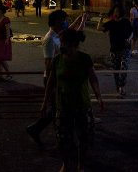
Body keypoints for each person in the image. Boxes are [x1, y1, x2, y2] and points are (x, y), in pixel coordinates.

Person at [42, 27, 104, 172]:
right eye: (62, 43)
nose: (62, 46)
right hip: (62, 105)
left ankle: (80, 166)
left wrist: (99, 96)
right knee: (63, 139)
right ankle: (66, 163)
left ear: (74, 45)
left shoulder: (84, 59)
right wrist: (45, 103)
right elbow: (51, 82)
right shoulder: (57, 60)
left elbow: (93, 78)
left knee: (84, 139)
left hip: (82, 105)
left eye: (65, 44)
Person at [26, 9, 68, 146]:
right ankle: (59, 136)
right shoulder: (49, 39)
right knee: (58, 109)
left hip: (59, 76)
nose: (66, 22)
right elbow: (48, 63)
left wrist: (82, 21)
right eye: (64, 20)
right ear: (57, 21)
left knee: (58, 108)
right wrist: (53, 82)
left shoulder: (57, 35)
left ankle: (36, 129)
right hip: (53, 77)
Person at [99, 4, 133, 97]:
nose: (116, 13)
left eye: (117, 11)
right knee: (116, 70)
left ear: (121, 12)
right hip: (114, 49)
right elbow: (100, 28)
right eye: (114, 11)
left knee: (124, 67)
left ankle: (122, 87)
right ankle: (118, 87)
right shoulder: (111, 23)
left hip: (125, 48)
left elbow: (131, 32)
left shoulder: (126, 21)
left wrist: (129, 39)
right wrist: (101, 18)